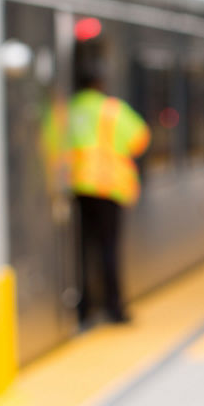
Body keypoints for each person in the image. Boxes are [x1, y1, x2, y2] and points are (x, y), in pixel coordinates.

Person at [68, 68, 149, 325]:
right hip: (109, 187)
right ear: (100, 83)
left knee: (81, 249)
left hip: (76, 186)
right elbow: (140, 139)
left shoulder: (67, 110)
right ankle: (114, 308)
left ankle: (84, 308)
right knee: (108, 249)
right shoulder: (112, 109)